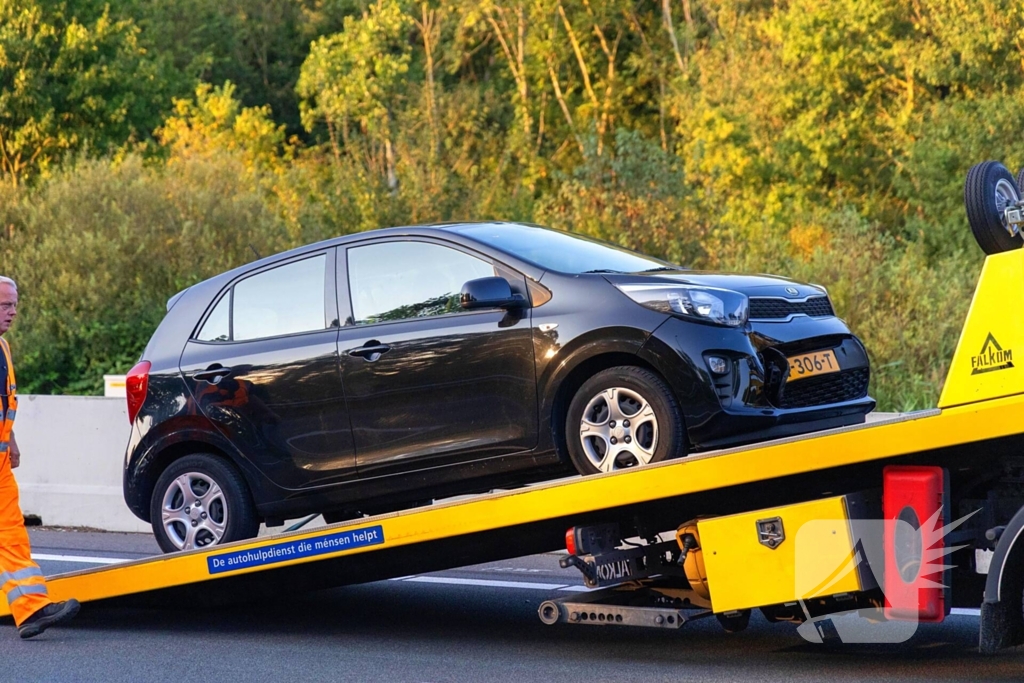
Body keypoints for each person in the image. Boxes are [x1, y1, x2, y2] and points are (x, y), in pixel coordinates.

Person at [0, 276, 79, 638]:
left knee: (11, 534)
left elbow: (6, 402)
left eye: (14, 304)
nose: (12, 311)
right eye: (5, 305)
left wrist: (10, 439)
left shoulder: (3, 347)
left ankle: (30, 608)